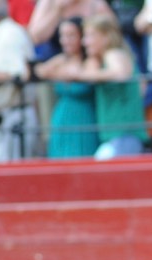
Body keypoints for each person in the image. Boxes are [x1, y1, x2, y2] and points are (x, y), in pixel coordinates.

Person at [73, 13, 148, 158]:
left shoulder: (113, 53)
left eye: (90, 36)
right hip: (117, 136)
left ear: (106, 36)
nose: (84, 42)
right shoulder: (104, 58)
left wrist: (80, 75)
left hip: (125, 136)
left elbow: (120, 74)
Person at [33, 16, 100, 158]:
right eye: (62, 36)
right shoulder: (62, 59)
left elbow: (88, 75)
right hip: (62, 117)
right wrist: (64, 74)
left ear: (81, 36)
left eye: (71, 35)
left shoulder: (91, 60)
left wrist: (63, 74)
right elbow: (39, 71)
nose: (65, 40)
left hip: (84, 118)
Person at [0, 0, 35, 162]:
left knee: (11, 172)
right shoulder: (0, 32)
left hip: (15, 117)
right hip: (3, 119)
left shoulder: (10, 33)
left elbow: (20, 74)